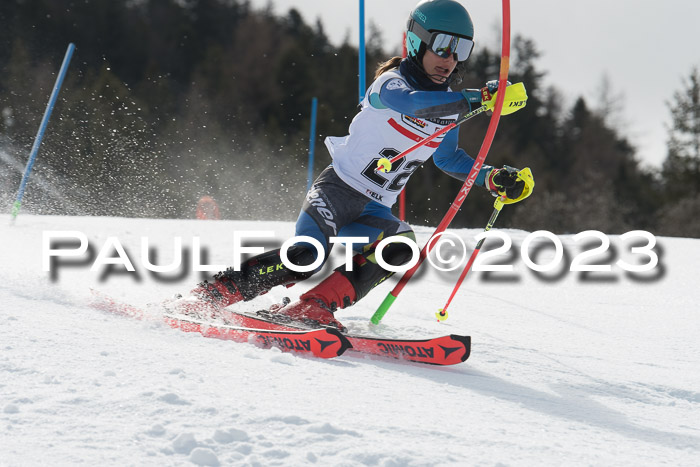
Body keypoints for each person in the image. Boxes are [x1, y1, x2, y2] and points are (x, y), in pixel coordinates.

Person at [176, 0, 529, 331]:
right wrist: (477, 98)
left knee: (401, 247)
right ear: (416, 42)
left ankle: (314, 307)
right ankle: (216, 293)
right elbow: (414, 105)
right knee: (306, 256)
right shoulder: (390, 84)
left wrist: (492, 178)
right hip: (336, 192)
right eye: (442, 45)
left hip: (372, 210)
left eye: (461, 49)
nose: (450, 58)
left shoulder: (449, 109)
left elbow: (448, 157)